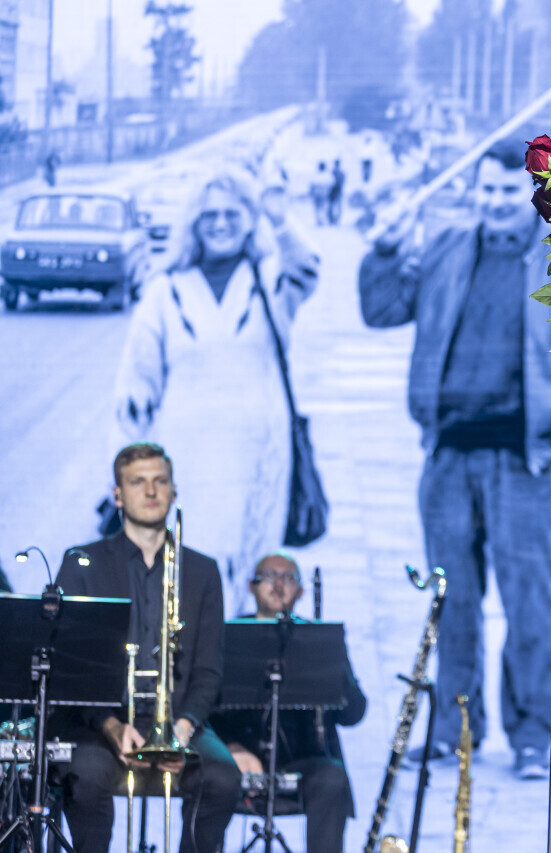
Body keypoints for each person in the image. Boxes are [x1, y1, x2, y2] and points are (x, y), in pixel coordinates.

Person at [357, 141, 551, 779]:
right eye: (488, 190)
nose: (499, 202)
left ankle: (533, 738)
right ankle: (453, 732)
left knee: (531, 603)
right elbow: (382, 308)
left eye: (510, 191)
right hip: (447, 457)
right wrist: (384, 250)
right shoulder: (446, 248)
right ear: (474, 192)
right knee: (454, 601)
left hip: (524, 462)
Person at [113, 169, 320, 617]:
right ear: (193, 222)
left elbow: (307, 269)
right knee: (188, 570)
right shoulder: (166, 290)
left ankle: (245, 671)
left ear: (249, 219)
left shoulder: (269, 280)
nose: (220, 223)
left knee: (253, 569)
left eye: (232, 213)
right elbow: (137, 381)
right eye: (209, 215)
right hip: (186, 453)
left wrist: (282, 220)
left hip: (259, 451)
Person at [54, 442, 240, 853]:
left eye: (160, 481)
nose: (151, 491)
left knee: (223, 779)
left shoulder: (204, 570)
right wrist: (110, 726)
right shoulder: (83, 561)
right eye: (137, 482)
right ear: (118, 495)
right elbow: (71, 666)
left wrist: (182, 731)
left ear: (173, 491)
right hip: (102, 722)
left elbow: (209, 668)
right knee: (83, 776)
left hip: (180, 720)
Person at [209, 552, 366, 853]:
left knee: (332, 779)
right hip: (236, 758)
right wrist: (232, 748)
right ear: (251, 586)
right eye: (269, 576)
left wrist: (334, 664)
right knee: (209, 777)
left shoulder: (318, 639)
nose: (278, 584)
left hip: (302, 761)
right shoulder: (225, 637)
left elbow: (354, 713)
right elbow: (206, 707)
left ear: (302, 591)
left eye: (288, 578)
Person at [309, 161, 331, 227]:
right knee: (324, 208)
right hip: (324, 194)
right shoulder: (328, 176)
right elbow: (332, 184)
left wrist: (311, 193)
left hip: (317, 193)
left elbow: (311, 186)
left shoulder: (315, 175)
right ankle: (322, 221)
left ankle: (319, 221)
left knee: (317, 208)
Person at [328, 158, 345, 225]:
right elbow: (343, 183)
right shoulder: (342, 173)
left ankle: (332, 220)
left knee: (332, 207)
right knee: (337, 207)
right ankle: (336, 220)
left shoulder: (331, 172)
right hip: (338, 191)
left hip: (332, 192)